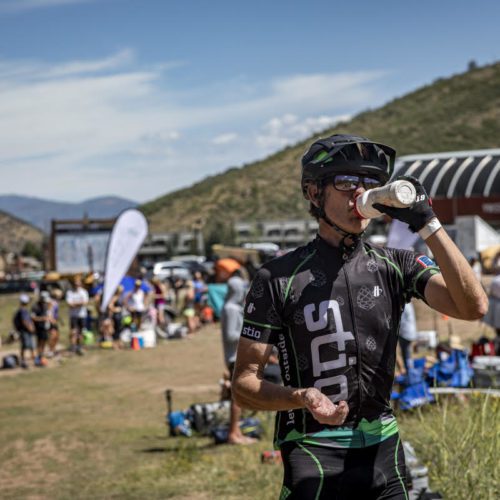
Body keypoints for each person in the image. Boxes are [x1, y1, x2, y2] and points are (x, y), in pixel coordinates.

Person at [232, 134, 487, 499]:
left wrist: (427, 222)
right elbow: (244, 384)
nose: (360, 192)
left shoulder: (396, 264)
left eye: (370, 183)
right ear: (313, 192)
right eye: (346, 181)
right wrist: (301, 396)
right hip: (312, 449)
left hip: (384, 446)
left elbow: (471, 307)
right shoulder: (277, 277)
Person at [220, 269, 255, 445]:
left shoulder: (233, 308)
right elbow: (230, 335)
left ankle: (237, 431)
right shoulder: (231, 309)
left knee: (239, 395)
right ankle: (233, 433)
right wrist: (249, 335)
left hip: (236, 355)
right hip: (234, 356)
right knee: (237, 396)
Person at [65, 276, 89, 355]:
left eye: (78, 284)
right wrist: (79, 303)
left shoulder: (84, 292)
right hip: (73, 315)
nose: (76, 286)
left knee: (81, 331)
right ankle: (73, 346)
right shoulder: (70, 292)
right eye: (75, 284)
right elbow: (69, 304)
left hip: (82, 315)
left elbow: (85, 302)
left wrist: (75, 303)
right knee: (73, 331)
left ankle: (79, 346)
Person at [13, 294, 36, 369]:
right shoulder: (22, 310)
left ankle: (32, 358)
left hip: (26, 330)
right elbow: (24, 321)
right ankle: (23, 360)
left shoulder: (24, 309)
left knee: (30, 345)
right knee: (25, 345)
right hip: (24, 330)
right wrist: (30, 328)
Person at [31, 291, 52, 366]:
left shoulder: (46, 305)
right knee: (39, 342)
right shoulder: (35, 306)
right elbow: (33, 318)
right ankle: (39, 356)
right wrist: (42, 319)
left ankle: (41, 355)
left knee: (44, 341)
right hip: (38, 327)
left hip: (45, 327)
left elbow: (48, 313)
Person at [397, 302, 418, 376]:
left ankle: (409, 373)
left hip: (405, 333)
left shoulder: (404, 305)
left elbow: (401, 320)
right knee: (408, 353)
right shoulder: (409, 304)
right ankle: (409, 371)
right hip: (410, 332)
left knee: (406, 354)